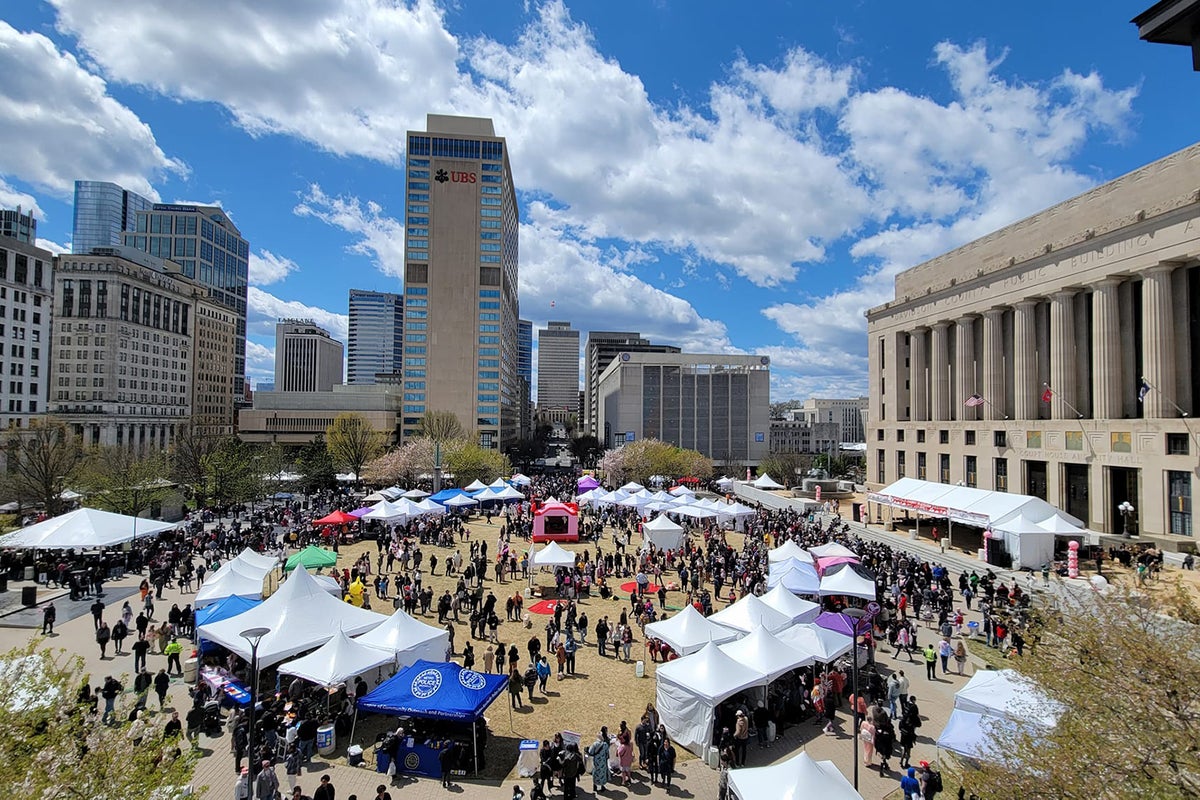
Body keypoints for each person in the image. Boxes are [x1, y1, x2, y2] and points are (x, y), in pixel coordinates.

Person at [585, 728, 611, 793]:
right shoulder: (605, 744)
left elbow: (590, 752)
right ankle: (602, 786)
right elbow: (607, 754)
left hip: (596, 761)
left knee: (596, 773)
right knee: (602, 773)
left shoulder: (594, 744)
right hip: (603, 762)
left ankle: (595, 786)